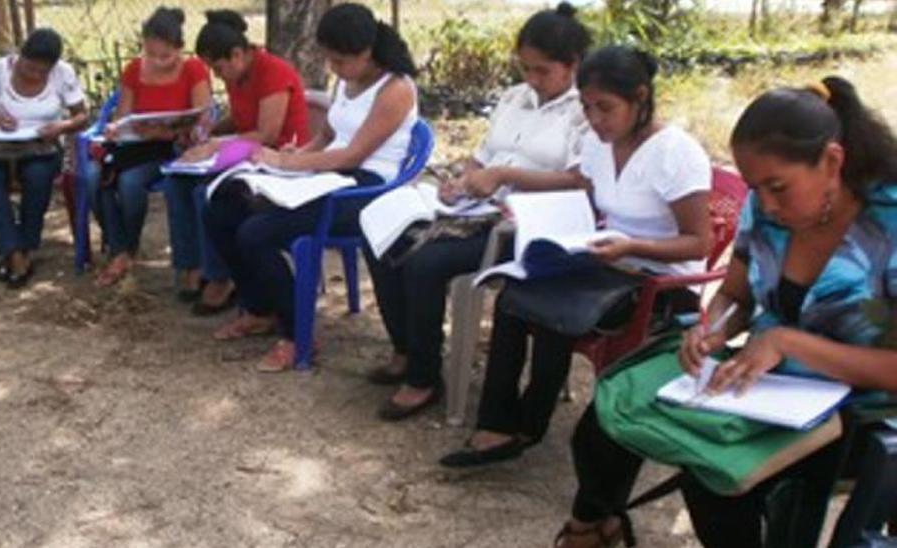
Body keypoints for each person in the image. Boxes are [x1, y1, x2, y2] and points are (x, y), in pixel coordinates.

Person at [554, 77, 897, 548]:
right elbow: (734, 294)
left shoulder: (889, 225)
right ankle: (595, 523)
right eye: (757, 189)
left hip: (858, 414)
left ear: (833, 161)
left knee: (714, 482)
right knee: (607, 421)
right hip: (764, 387)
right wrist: (711, 328)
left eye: (778, 187)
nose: (767, 205)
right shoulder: (764, 205)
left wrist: (788, 343)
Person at [441, 46, 712, 467]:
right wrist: (529, 207)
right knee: (516, 292)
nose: (596, 120)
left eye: (606, 108)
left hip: (656, 281)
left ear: (641, 98)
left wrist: (632, 247)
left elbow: (699, 243)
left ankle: (529, 424)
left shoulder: (675, 153)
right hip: (605, 261)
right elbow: (578, 188)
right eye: (587, 107)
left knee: (556, 306)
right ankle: (495, 423)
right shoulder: (597, 143)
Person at [364, 3, 591, 421]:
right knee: (383, 233)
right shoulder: (514, 97)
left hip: (526, 227)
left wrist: (505, 174)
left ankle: (424, 377)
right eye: (526, 68)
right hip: (478, 207)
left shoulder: (586, 109)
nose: (532, 80)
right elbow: (482, 156)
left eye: (543, 71)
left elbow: (580, 182)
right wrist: (463, 181)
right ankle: (407, 348)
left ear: (572, 65)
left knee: (425, 263)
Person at [205, 2, 418, 371]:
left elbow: (353, 154)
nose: (333, 68)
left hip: (366, 190)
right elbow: (329, 134)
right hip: (329, 175)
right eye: (330, 59)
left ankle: (297, 334)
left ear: (366, 52)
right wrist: (299, 153)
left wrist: (289, 163)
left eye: (339, 60)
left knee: (257, 233)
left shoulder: (395, 89)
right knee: (223, 206)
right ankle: (259, 309)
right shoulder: (348, 79)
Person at [163, 9, 309, 314]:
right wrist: (208, 132)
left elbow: (268, 133)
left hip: (278, 159)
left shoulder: (273, 72)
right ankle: (192, 266)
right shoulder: (238, 73)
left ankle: (221, 278)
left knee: (208, 194)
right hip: (247, 153)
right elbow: (242, 118)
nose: (217, 76)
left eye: (217, 68)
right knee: (176, 182)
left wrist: (218, 145)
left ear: (237, 54)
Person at [91, 7, 210, 288]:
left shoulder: (193, 70)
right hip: (137, 146)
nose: (158, 62)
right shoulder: (134, 70)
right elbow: (123, 117)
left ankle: (125, 249)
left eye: (166, 56)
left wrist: (168, 131)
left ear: (180, 48)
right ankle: (120, 251)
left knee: (130, 183)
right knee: (95, 177)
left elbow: (202, 119)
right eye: (151, 54)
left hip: (172, 149)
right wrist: (118, 127)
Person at [0, 27, 88, 288]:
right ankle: (16, 253)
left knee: (38, 176)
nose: (34, 74)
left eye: (42, 71)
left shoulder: (63, 73)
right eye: (29, 67)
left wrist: (60, 127)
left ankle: (20, 251)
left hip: (42, 145)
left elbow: (82, 116)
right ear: (19, 56)